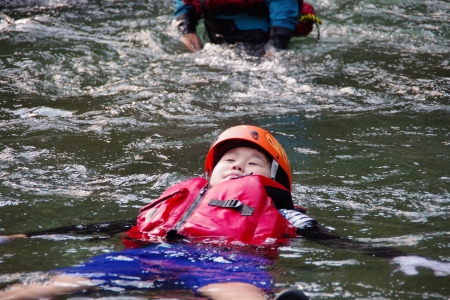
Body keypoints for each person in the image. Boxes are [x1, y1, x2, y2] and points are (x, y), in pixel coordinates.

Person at [1, 125, 449, 299]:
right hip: (153, 255)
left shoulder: (281, 213)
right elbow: (103, 227)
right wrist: (25, 237)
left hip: (232, 263)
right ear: (209, 177)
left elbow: (333, 241)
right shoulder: (179, 204)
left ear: (270, 181)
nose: (240, 166)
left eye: (253, 163)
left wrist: (396, 256)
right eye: (230, 161)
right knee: (45, 285)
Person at [175, 0, 322, 52]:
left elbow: (283, 7)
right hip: (217, 39)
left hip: (263, 37)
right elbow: (184, 3)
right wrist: (186, 29)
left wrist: (277, 46)